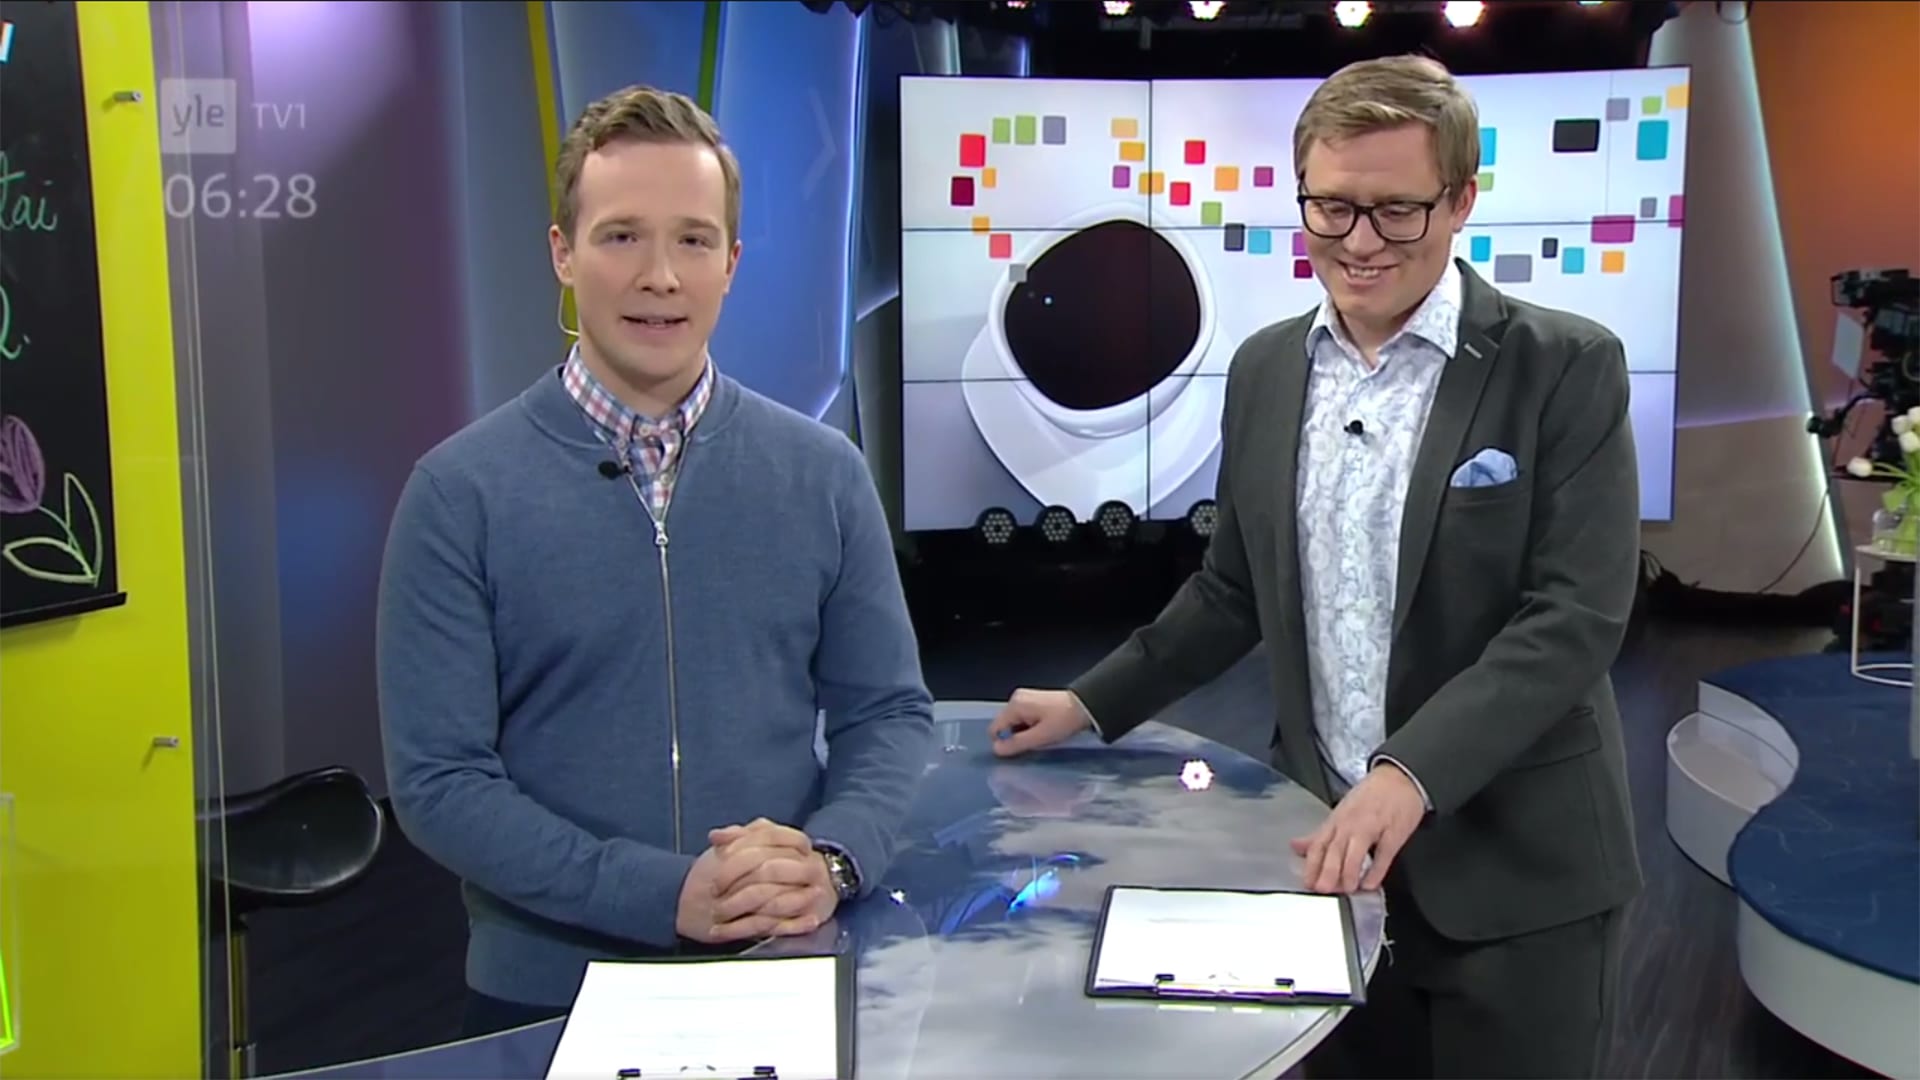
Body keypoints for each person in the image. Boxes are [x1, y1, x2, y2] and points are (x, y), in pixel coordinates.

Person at [988, 55, 1641, 1079]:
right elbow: (1232, 591)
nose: (1360, 243)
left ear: (1461, 201)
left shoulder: (1564, 365)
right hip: (1325, 855)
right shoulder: (1264, 368)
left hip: (1519, 875)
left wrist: (1408, 774)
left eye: (1397, 212)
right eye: (1332, 208)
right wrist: (1090, 702)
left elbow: (1573, 618)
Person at [376, 85, 933, 1037]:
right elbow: (440, 781)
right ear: (563, 253)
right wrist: (660, 893)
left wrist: (833, 859)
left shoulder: (823, 474)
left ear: (732, 263)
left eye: (693, 240)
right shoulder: (458, 494)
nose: (661, 277)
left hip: (779, 969)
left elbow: (887, 713)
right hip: (544, 994)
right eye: (623, 236)